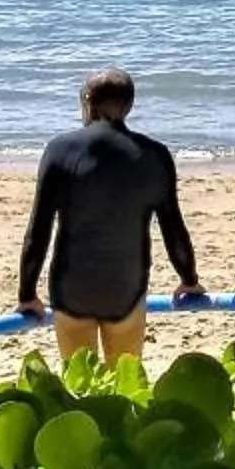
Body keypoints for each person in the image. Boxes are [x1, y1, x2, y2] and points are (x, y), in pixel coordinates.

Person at [17, 70, 206, 365]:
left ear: (87, 100)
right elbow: (173, 227)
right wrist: (189, 279)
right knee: (123, 386)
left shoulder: (58, 151)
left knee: (80, 385)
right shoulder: (155, 155)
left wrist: (27, 293)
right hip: (127, 291)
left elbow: (38, 230)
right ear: (129, 106)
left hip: (71, 291)